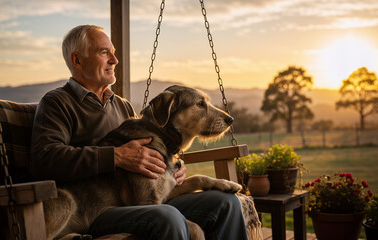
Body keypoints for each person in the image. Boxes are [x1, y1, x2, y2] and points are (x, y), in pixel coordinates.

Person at [29, 25, 248, 240]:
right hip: (97, 209)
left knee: (225, 203)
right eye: (104, 53)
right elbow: (45, 158)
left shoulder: (123, 107)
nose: (114, 60)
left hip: (140, 200)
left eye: (113, 53)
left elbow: (149, 155)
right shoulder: (57, 102)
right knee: (168, 217)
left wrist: (173, 168)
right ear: (77, 60)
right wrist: (116, 156)